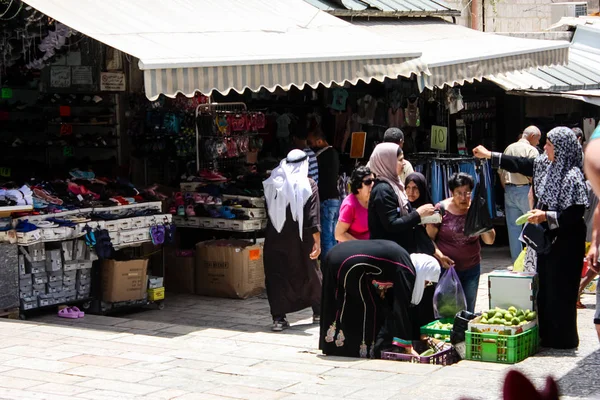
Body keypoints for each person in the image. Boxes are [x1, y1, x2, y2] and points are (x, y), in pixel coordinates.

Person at [473, 126, 588, 349]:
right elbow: (520, 164)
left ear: (562, 149)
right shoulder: (546, 165)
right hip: (547, 242)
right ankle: (545, 335)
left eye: (550, 145)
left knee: (562, 289)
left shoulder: (573, 176)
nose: (545, 148)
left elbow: (574, 215)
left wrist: (545, 215)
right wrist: (489, 155)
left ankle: (563, 339)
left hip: (567, 243)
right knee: (544, 287)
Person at [319, 240, 440, 358]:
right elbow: (402, 308)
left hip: (336, 253)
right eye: (426, 282)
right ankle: (358, 349)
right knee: (368, 306)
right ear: (423, 271)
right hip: (348, 262)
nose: (425, 286)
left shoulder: (403, 261)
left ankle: (334, 346)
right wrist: (406, 345)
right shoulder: (407, 270)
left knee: (339, 301)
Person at [262, 149, 322, 332]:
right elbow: (313, 217)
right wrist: (317, 242)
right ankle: (318, 312)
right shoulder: (308, 184)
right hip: (301, 241)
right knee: (310, 273)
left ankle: (278, 319)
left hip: (275, 239)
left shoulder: (273, 184)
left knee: (277, 276)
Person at [426, 172, 496, 313]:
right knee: (447, 311)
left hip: (472, 268)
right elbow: (428, 239)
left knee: (467, 311)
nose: (464, 198)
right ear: (452, 192)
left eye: (467, 193)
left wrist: (481, 221)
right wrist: (440, 257)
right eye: (459, 193)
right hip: (446, 270)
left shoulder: (477, 209)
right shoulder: (440, 209)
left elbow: (490, 240)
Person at [368, 143, 436, 254]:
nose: (404, 163)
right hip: (387, 255)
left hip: (399, 251)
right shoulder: (383, 189)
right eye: (400, 160)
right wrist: (418, 214)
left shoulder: (395, 185)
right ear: (387, 163)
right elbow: (392, 224)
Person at [498, 126, 541, 262]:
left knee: (513, 227)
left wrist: (506, 188)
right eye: (538, 139)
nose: (539, 143)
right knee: (532, 224)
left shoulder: (508, 148)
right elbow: (536, 173)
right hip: (525, 190)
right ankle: (531, 259)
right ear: (532, 136)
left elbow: (501, 172)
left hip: (509, 189)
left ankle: (516, 260)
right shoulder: (531, 150)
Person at [308, 128, 340, 261]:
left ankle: (328, 272)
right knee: (333, 237)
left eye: (311, 142)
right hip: (334, 199)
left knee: (326, 239)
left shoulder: (321, 156)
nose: (310, 146)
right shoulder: (334, 153)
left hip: (325, 200)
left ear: (319, 141)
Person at [335, 166, 373, 242]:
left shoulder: (372, 200)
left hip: (368, 247)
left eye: (373, 181)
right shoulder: (350, 205)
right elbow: (339, 234)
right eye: (368, 182)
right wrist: (360, 245)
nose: (372, 185)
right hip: (352, 250)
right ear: (358, 186)